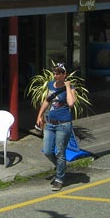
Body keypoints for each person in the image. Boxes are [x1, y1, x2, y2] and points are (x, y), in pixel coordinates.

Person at [35, 63, 76, 191]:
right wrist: (39, 116)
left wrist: (68, 87)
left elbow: (71, 103)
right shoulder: (50, 85)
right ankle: (61, 167)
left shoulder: (70, 87)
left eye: (59, 73)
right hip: (50, 123)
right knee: (47, 150)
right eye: (55, 72)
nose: (56, 75)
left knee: (60, 152)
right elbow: (47, 100)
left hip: (63, 124)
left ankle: (59, 178)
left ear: (65, 74)